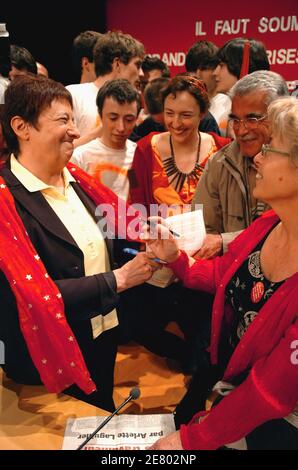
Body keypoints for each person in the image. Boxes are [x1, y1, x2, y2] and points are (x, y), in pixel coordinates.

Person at [145, 96, 298, 450]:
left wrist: (190, 440)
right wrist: (177, 260)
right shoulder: (267, 224)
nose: (257, 156)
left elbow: (270, 391)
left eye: (270, 147)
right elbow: (223, 276)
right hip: (230, 385)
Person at [0, 74, 160, 412]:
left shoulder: (80, 183)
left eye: (73, 119)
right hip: (46, 364)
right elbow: (27, 296)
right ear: (21, 127)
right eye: (62, 120)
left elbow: (109, 238)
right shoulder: (5, 204)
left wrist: (145, 236)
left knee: (97, 411)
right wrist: (117, 280)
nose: (75, 130)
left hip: (101, 334)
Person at [192, 70, 289, 260]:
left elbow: (286, 231)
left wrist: (224, 242)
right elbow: (204, 230)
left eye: (252, 119)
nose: (241, 130)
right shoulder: (219, 163)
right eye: (235, 120)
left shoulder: (292, 165)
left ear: (280, 115)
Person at [129, 75, 229, 212]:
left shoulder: (221, 149)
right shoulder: (144, 149)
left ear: (202, 113)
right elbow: (136, 202)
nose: (176, 123)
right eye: (169, 113)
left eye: (185, 115)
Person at [66, 31, 145, 139]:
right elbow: (59, 150)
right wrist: (103, 129)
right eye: (137, 65)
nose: (141, 73)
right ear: (117, 63)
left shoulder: (131, 102)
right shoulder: (74, 95)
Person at [72, 79, 140, 201]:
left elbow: (137, 194)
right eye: (113, 118)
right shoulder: (81, 157)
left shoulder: (138, 155)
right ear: (100, 113)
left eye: (129, 120)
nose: (121, 127)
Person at [185, 40, 231, 132]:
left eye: (205, 69)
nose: (196, 76)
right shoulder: (180, 103)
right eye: (192, 70)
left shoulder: (229, 105)